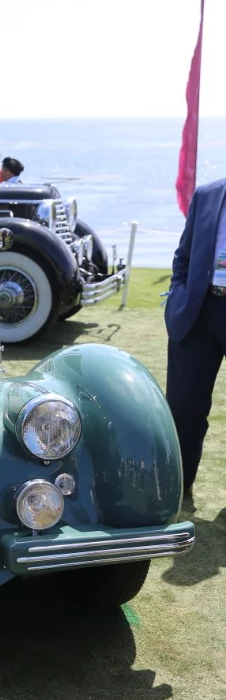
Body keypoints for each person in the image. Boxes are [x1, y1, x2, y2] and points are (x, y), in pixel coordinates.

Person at [165, 177, 226, 495]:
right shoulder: (206, 195)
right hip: (199, 311)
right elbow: (183, 256)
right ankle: (178, 484)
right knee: (183, 405)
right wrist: (178, 296)